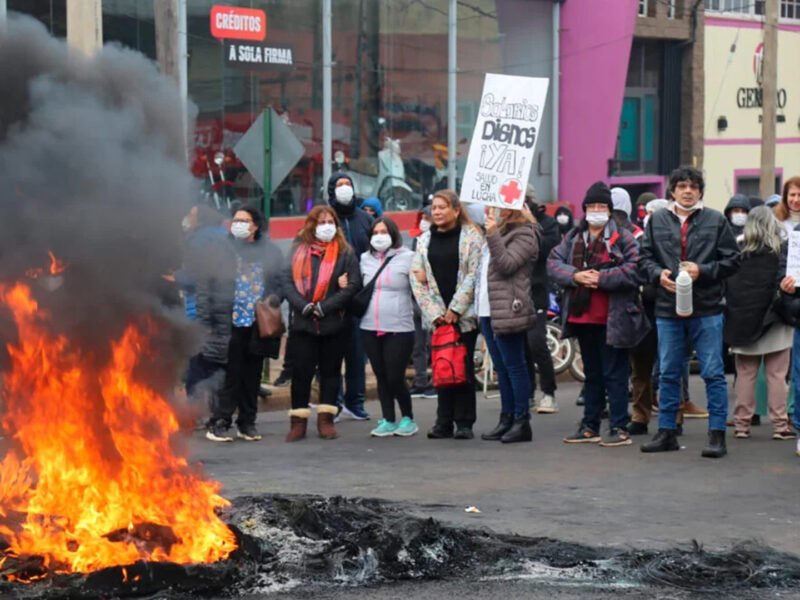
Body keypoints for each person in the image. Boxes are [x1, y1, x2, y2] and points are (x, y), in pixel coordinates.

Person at [639, 166, 739, 458]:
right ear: (672, 190)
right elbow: (643, 258)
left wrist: (703, 270)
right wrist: (658, 275)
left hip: (707, 308)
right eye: (681, 186)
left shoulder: (716, 220)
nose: (687, 191)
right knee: (669, 372)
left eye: (693, 186)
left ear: (700, 191)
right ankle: (667, 432)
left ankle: (717, 434)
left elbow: (732, 260)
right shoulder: (656, 221)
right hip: (668, 308)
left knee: (712, 372)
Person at [549, 181, 649, 448]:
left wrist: (601, 279)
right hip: (582, 317)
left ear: (609, 210)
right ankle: (589, 425)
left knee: (615, 373)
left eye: (601, 206)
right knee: (591, 374)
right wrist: (576, 275)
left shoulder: (624, 237)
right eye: (591, 206)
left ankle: (618, 426)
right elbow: (553, 263)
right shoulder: (572, 237)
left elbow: (635, 269)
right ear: (584, 209)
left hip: (613, 317)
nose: (596, 210)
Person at [282, 206, 361, 442]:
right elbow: (286, 282)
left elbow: (353, 285)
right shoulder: (297, 250)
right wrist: (304, 306)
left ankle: (326, 420)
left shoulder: (346, 252)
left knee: (331, 373)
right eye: (321, 222)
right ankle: (298, 422)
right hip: (303, 325)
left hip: (334, 324)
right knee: (301, 373)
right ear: (311, 225)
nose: (326, 226)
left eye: (330, 221)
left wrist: (324, 307)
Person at [206, 206, 283, 443]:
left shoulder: (269, 251)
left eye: (245, 220)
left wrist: (273, 298)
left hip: (257, 323)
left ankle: (247, 422)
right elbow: (210, 282)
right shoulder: (222, 249)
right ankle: (220, 421)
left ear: (256, 225)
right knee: (231, 373)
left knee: (252, 375)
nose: (239, 223)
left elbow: (280, 281)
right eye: (236, 219)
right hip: (230, 322)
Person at [410, 190, 483, 440]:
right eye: (435, 207)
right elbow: (417, 278)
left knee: (462, 368)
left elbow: (474, 275)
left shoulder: (472, 237)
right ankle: (443, 421)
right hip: (438, 318)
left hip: (463, 316)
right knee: (442, 367)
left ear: (456, 210)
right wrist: (436, 313)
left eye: (443, 207)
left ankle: (464, 422)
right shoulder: (423, 240)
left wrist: (455, 309)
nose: (438, 212)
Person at [725, 207, 794, 440]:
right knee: (777, 375)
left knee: (745, 374)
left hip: (743, 322)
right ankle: (780, 425)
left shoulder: (737, 252)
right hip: (776, 320)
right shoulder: (781, 252)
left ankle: (742, 424)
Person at [477, 204, 539, 443]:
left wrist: (492, 233)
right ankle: (507, 417)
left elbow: (506, 264)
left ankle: (522, 421)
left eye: (499, 206)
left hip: (508, 307)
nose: (494, 209)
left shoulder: (525, 233)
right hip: (488, 307)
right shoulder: (499, 231)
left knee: (514, 365)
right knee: (501, 367)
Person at [360, 217, 419, 437]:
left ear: (393, 233)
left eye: (383, 231)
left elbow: (420, 289)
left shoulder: (408, 258)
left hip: (399, 326)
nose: (379, 236)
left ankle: (407, 418)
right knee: (381, 375)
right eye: (375, 232)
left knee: (395, 375)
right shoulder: (364, 259)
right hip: (369, 326)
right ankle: (388, 419)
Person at [327, 172, 374, 420]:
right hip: (332, 299)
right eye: (339, 185)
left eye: (348, 184)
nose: (345, 189)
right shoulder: (325, 220)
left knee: (357, 354)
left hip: (359, 297)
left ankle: (355, 402)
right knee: (332, 354)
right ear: (331, 190)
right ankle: (332, 403)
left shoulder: (365, 220)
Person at [525, 186, 560, 414]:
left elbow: (547, 249)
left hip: (537, 291)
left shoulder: (548, 223)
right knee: (520, 346)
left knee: (536, 342)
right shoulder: (507, 223)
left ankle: (548, 392)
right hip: (513, 293)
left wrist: (530, 224)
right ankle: (526, 392)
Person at [408, 206, 436, 398]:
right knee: (418, 344)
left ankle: (437, 381)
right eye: (423, 217)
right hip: (416, 299)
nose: (425, 221)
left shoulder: (438, 241)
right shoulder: (416, 240)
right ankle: (420, 381)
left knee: (434, 343)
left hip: (433, 300)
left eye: (428, 217)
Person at [775, 175, 800, 240]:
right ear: (786, 197)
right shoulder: (776, 221)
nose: (796, 200)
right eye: (792, 195)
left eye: (799, 195)